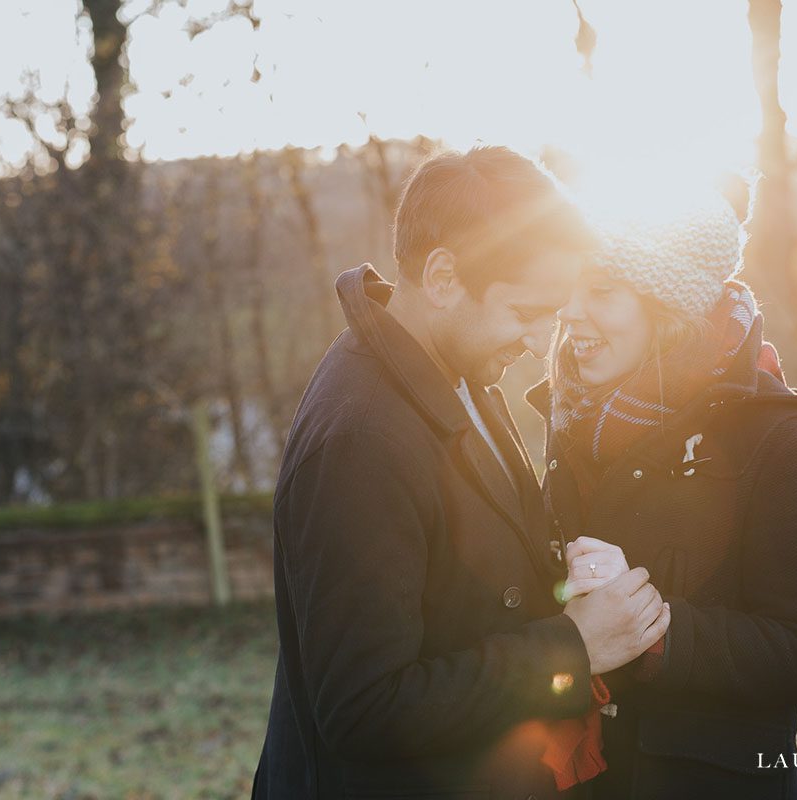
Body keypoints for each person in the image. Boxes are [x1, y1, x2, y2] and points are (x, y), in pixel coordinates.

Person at [252, 146, 672, 800]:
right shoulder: (359, 438)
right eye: (528, 312)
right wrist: (573, 647)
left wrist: (566, 581)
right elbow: (364, 710)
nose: (540, 344)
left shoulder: (457, 372)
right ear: (444, 277)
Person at [526, 188, 797, 798]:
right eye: (571, 287)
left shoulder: (779, 444)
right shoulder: (571, 423)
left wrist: (652, 629)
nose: (569, 312)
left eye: (602, 291)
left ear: (667, 308)